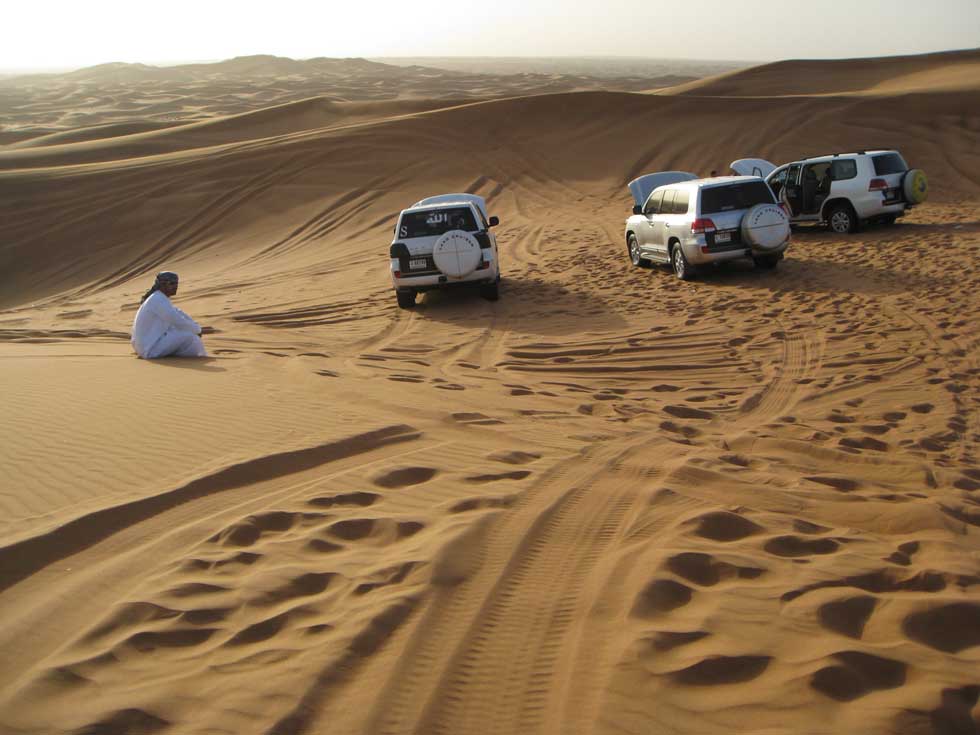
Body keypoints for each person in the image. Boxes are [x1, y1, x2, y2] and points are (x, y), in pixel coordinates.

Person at [131, 271, 207, 359]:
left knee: (183, 332)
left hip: (147, 345)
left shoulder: (159, 298)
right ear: (162, 285)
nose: (175, 286)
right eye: (171, 283)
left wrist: (196, 326)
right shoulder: (158, 299)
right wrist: (197, 330)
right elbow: (177, 321)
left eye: (176, 283)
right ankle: (199, 359)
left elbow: (178, 313)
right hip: (149, 348)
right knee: (192, 338)